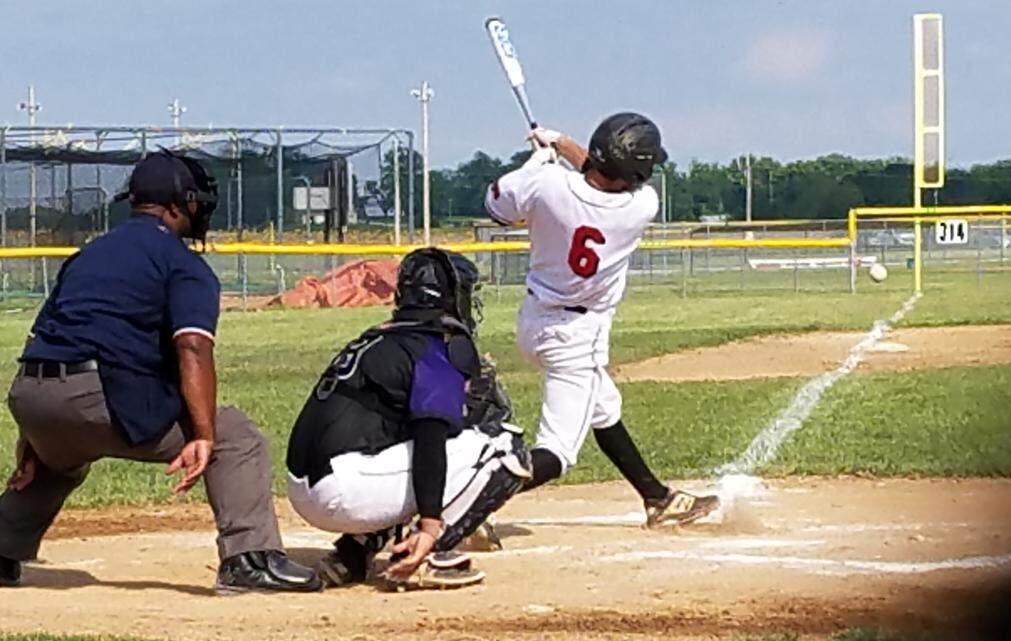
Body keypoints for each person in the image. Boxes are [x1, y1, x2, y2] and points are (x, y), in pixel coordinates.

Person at [0, 150, 321, 594]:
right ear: (178, 204)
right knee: (234, 434)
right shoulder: (182, 263)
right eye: (196, 201)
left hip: (30, 397)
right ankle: (250, 559)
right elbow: (191, 346)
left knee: (60, 460)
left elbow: (44, 339)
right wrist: (204, 434)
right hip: (92, 398)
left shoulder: (87, 255)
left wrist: (34, 438)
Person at [483, 112, 720, 527]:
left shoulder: (544, 184)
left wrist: (539, 159)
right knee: (556, 454)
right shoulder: (643, 206)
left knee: (604, 408)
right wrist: (559, 142)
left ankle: (657, 498)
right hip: (575, 337)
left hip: (534, 320)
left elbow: (498, 208)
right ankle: (454, 505)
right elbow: (601, 175)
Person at [286, 248, 530, 590]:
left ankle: (351, 556)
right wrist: (430, 523)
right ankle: (431, 554)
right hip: (344, 488)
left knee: (405, 444)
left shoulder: (379, 336)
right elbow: (431, 439)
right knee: (506, 448)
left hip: (304, 485)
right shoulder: (433, 347)